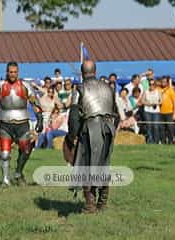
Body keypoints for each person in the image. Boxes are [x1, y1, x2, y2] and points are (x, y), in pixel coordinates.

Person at [65, 60, 119, 213]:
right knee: (103, 164)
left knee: (86, 165)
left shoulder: (79, 89)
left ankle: (90, 205)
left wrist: (72, 135)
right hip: (108, 128)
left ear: (82, 73)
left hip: (90, 129)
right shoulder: (108, 88)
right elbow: (117, 113)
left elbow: (74, 115)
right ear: (95, 71)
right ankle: (102, 203)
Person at [0, 61, 43, 186]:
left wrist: (40, 118)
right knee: (4, 153)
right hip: (5, 123)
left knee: (26, 150)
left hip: (23, 123)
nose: (13, 74)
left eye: (15, 72)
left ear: (18, 72)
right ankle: (5, 179)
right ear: (7, 72)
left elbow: (35, 103)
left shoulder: (26, 85)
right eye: (10, 72)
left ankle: (18, 173)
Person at [142, 79, 161, 144]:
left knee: (155, 126)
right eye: (150, 84)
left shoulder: (158, 91)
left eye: (153, 84)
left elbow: (161, 101)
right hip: (147, 111)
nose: (151, 85)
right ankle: (150, 140)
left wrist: (156, 103)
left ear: (155, 85)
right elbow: (142, 101)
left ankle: (156, 140)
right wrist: (149, 104)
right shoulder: (146, 91)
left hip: (156, 111)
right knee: (149, 126)